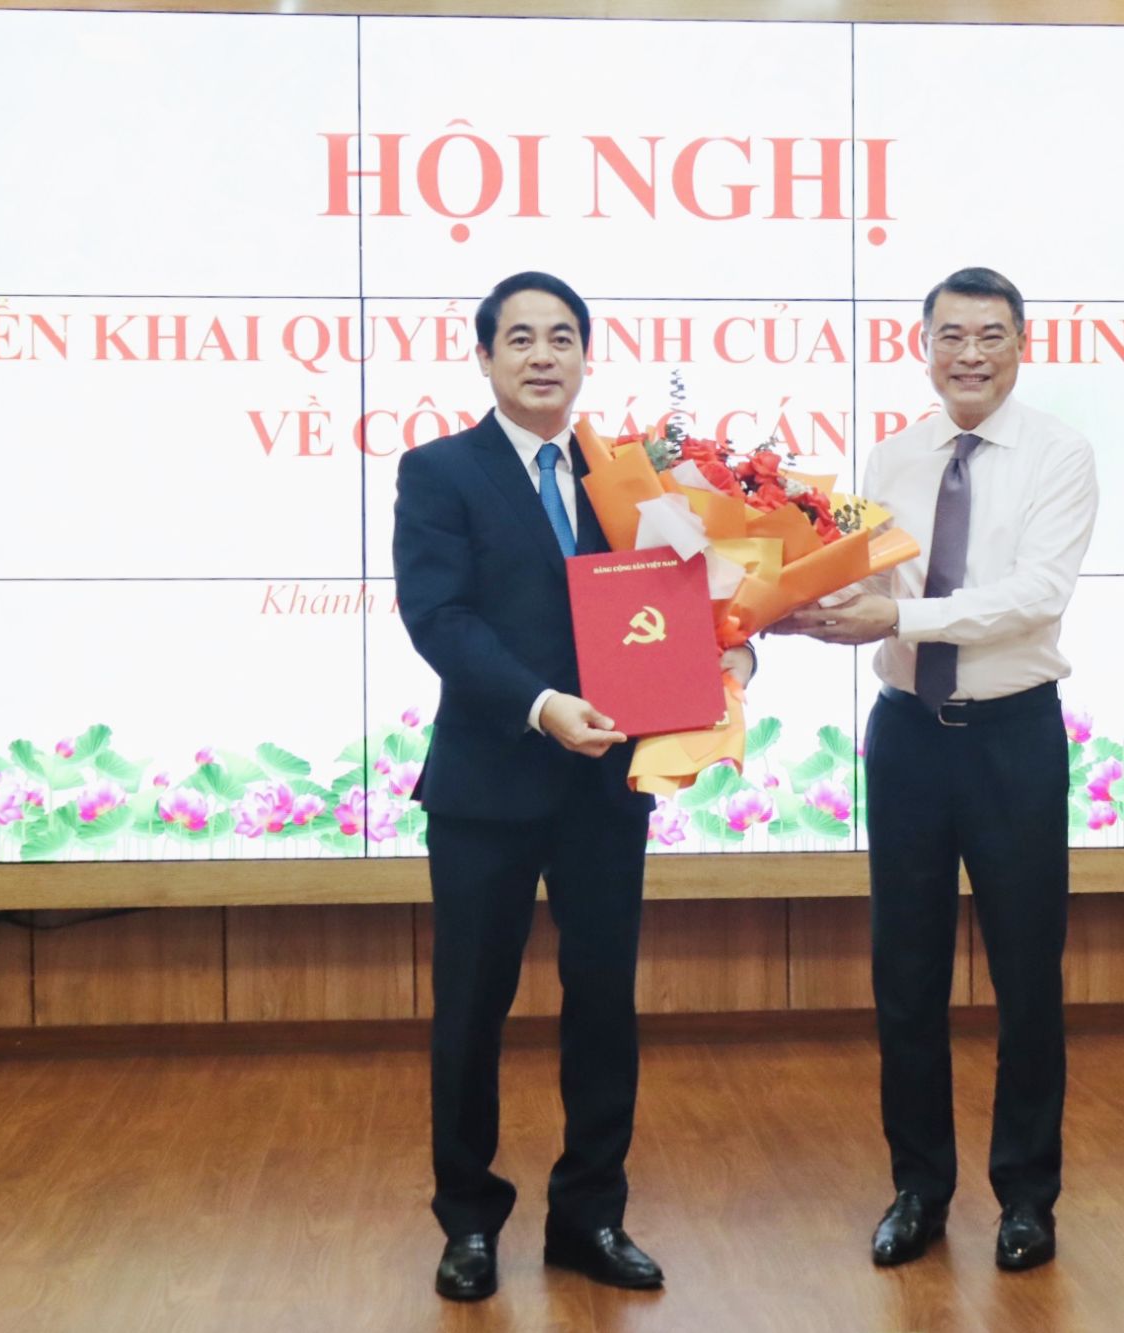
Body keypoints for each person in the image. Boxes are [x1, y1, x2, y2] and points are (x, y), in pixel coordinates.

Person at [393, 270, 753, 1301]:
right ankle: (469, 1221)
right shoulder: (440, 470)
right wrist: (541, 702)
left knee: (603, 1004)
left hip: (606, 787)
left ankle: (590, 1216)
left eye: (561, 336)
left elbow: (690, 599)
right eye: (520, 338)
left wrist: (732, 653)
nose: (542, 354)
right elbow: (439, 617)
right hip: (487, 786)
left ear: (586, 355)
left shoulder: (625, 477)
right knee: (471, 1008)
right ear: (485, 358)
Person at [772, 266, 1097, 1272]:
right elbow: (869, 580)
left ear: (1021, 345)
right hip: (909, 736)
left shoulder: (1059, 454)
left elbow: (1035, 595)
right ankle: (919, 1188)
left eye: (990, 335)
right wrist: (789, 607)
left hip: (1012, 739)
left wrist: (899, 616)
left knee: (1026, 975)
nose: (970, 354)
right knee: (905, 976)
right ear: (924, 347)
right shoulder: (895, 455)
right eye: (951, 335)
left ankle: (1027, 1196)